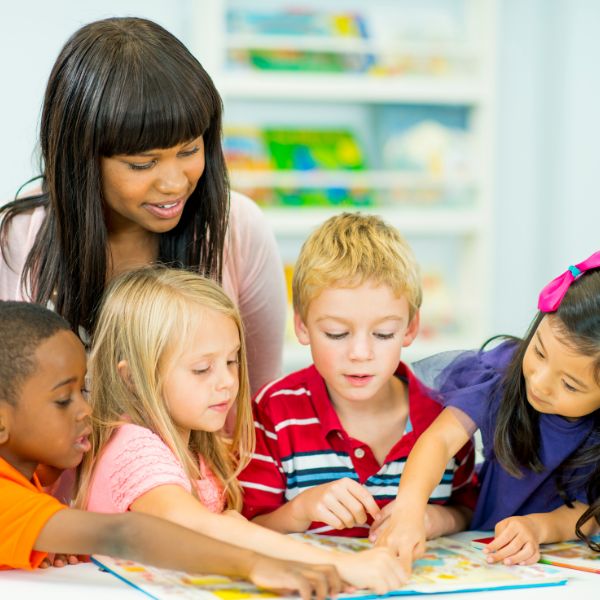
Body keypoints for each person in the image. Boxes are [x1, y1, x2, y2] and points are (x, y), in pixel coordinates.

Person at [76, 266, 406, 594]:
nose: (227, 382)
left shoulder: (197, 448)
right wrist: (342, 565)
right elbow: (204, 529)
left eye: (231, 361)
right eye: (202, 369)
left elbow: (235, 531)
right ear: (133, 377)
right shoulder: (132, 449)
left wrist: (300, 510)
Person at [0, 16, 285, 395]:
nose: (174, 183)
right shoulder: (20, 237)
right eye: (142, 164)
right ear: (81, 159)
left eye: (189, 150)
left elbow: (259, 398)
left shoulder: (238, 228)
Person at [0, 301, 343, 599]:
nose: (86, 411)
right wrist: (254, 565)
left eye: (83, 392)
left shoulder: (29, 485)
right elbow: (124, 532)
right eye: (63, 400)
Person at [238, 213, 477, 540]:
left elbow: (468, 508)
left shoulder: (444, 416)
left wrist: (434, 518)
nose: (361, 353)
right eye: (337, 334)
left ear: (409, 328)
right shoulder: (273, 413)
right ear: (302, 327)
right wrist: (300, 510)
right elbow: (243, 529)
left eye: (382, 334)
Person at [376, 251, 600, 576]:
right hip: (477, 536)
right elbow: (440, 439)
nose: (540, 381)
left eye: (570, 384)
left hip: (558, 560)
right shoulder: (501, 373)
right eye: (538, 352)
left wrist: (537, 528)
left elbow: (588, 512)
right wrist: (409, 509)